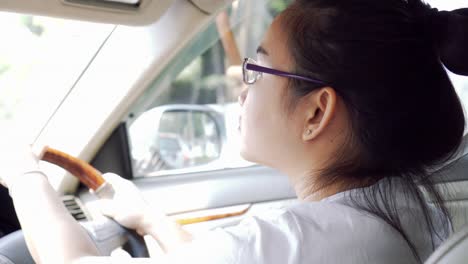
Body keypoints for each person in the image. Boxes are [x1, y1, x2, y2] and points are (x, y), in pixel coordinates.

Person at [3, 0, 468, 263]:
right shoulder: (410, 214)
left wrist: (23, 175)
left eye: (257, 68)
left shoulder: (296, 240)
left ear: (316, 113)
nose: (240, 88)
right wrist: (148, 220)